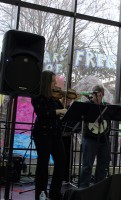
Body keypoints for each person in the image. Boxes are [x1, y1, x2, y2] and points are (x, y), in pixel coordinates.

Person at [31, 70, 67, 200]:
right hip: (43, 133)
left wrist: (64, 104)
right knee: (43, 163)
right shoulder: (38, 97)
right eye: (53, 81)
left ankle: (54, 192)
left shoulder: (54, 98)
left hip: (55, 133)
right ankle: (41, 193)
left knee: (61, 161)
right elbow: (43, 112)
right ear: (46, 83)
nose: (55, 84)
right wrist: (59, 110)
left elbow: (63, 111)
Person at [79, 85, 111, 188]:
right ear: (92, 94)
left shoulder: (107, 106)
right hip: (89, 139)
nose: (98, 97)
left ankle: (99, 188)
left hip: (104, 140)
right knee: (87, 166)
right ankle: (83, 188)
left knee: (102, 166)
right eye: (96, 94)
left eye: (100, 95)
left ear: (103, 95)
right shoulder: (87, 105)